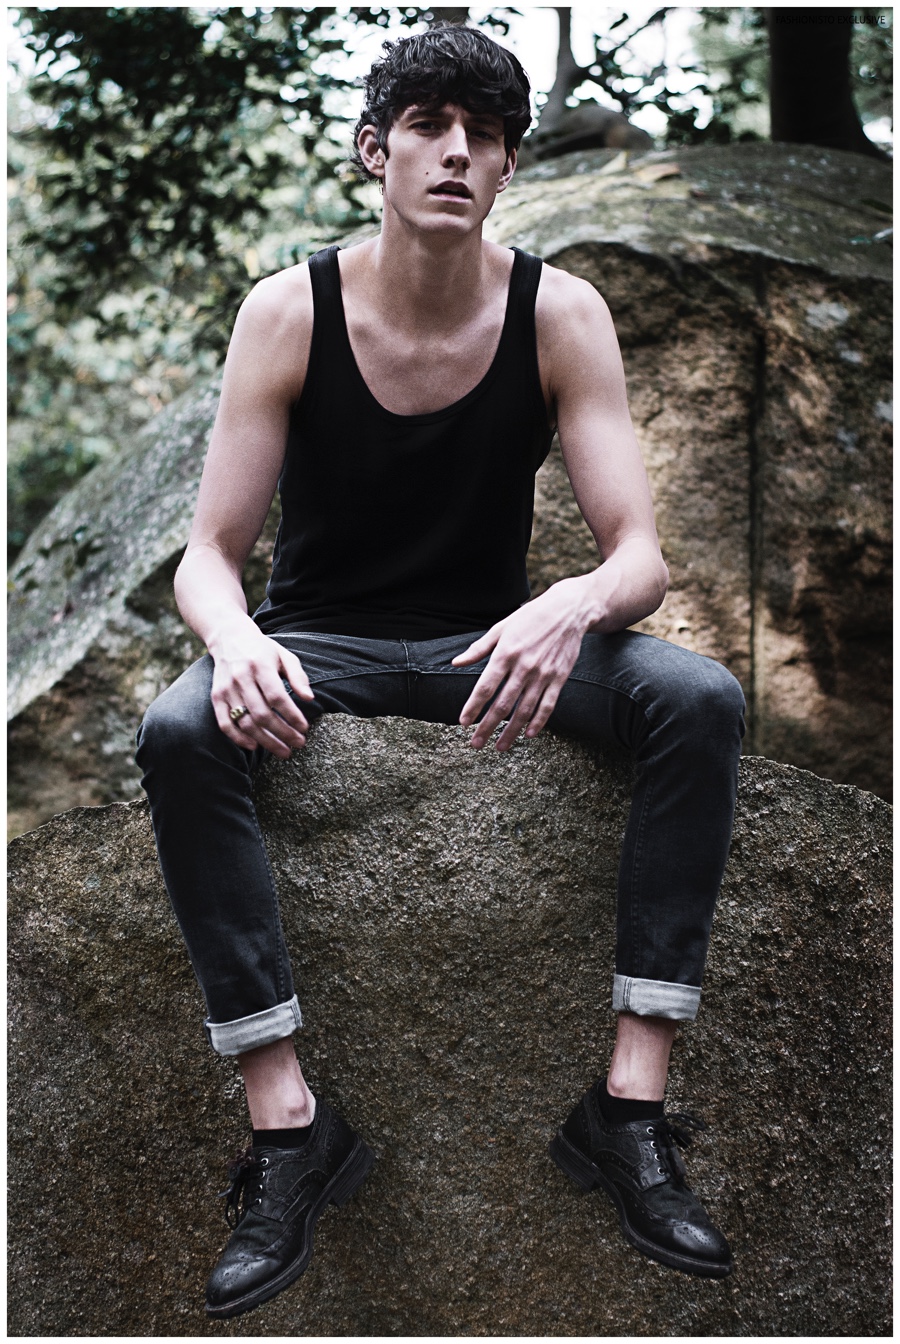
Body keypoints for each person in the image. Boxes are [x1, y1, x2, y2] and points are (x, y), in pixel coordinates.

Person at [136, 24, 745, 1320]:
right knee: (180, 731)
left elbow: (638, 555)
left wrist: (570, 604)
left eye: (484, 133)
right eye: (428, 124)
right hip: (320, 646)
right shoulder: (289, 311)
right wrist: (237, 644)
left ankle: (628, 1108)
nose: (456, 150)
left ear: (509, 164)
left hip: (491, 653)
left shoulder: (560, 314)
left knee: (700, 701)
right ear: (377, 149)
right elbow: (207, 556)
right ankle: (290, 1128)